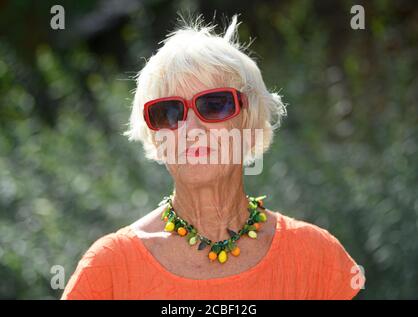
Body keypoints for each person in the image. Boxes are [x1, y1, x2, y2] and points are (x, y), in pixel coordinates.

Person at [61, 14, 365, 300]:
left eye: (214, 104)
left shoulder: (316, 258)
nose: (191, 128)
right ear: (156, 136)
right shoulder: (108, 270)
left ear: (249, 121)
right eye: (169, 112)